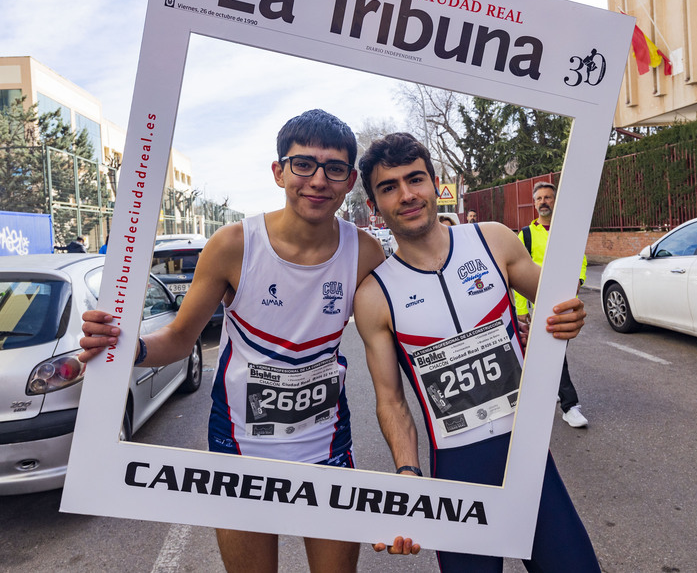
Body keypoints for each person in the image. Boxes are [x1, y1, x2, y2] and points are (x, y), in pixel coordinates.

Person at [79, 109, 387, 573]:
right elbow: (182, 340)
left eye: (334, 168)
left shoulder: (364, 251)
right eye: (303, 164)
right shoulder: (233, 245)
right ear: (279, 171)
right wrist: (129, 348)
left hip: (327, 450)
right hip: (240, 451)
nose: (318, 180)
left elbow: (403, 329)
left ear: (349, 181)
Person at [354, 133, 598, 572]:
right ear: (374, 205)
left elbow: (557, 300)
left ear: (435, 184)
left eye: (415, 179)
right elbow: (390, 400)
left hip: (529, 460)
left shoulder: (494, 240)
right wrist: (408, 474)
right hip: (457, 473)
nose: (407, 195)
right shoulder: (374, 295)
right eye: (389, 187)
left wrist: (570, 316)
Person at [514, 181, 589, 428]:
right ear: (534, 203)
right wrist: (522, 310)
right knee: (555, 353)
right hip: (538, 304)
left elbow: (581, 258)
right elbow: (516, 274)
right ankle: (569, 405)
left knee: (551, 352)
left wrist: (579, 280)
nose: (544, 201)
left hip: (564, 302)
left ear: (554, 201)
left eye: (548, 197)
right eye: (539, 198)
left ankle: (551, 391)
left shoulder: (566, 230)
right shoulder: (525, 234)